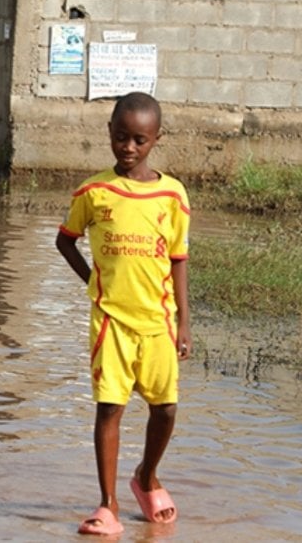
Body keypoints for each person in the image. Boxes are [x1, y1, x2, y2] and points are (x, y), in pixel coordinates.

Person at [55, 91, 192, 536]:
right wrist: (92, 282)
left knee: (165, 408)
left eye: (139, 140)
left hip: (158, 321)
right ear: (109, 133)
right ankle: (108, 504)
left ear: (156, 139)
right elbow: (65, 240)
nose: (128, 147)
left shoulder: (172, 195)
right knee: (109, 407)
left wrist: (184, 322)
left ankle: (147, 477)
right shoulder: (94, 192)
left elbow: (178, 259)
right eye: (120, 137)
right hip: (111, 321)